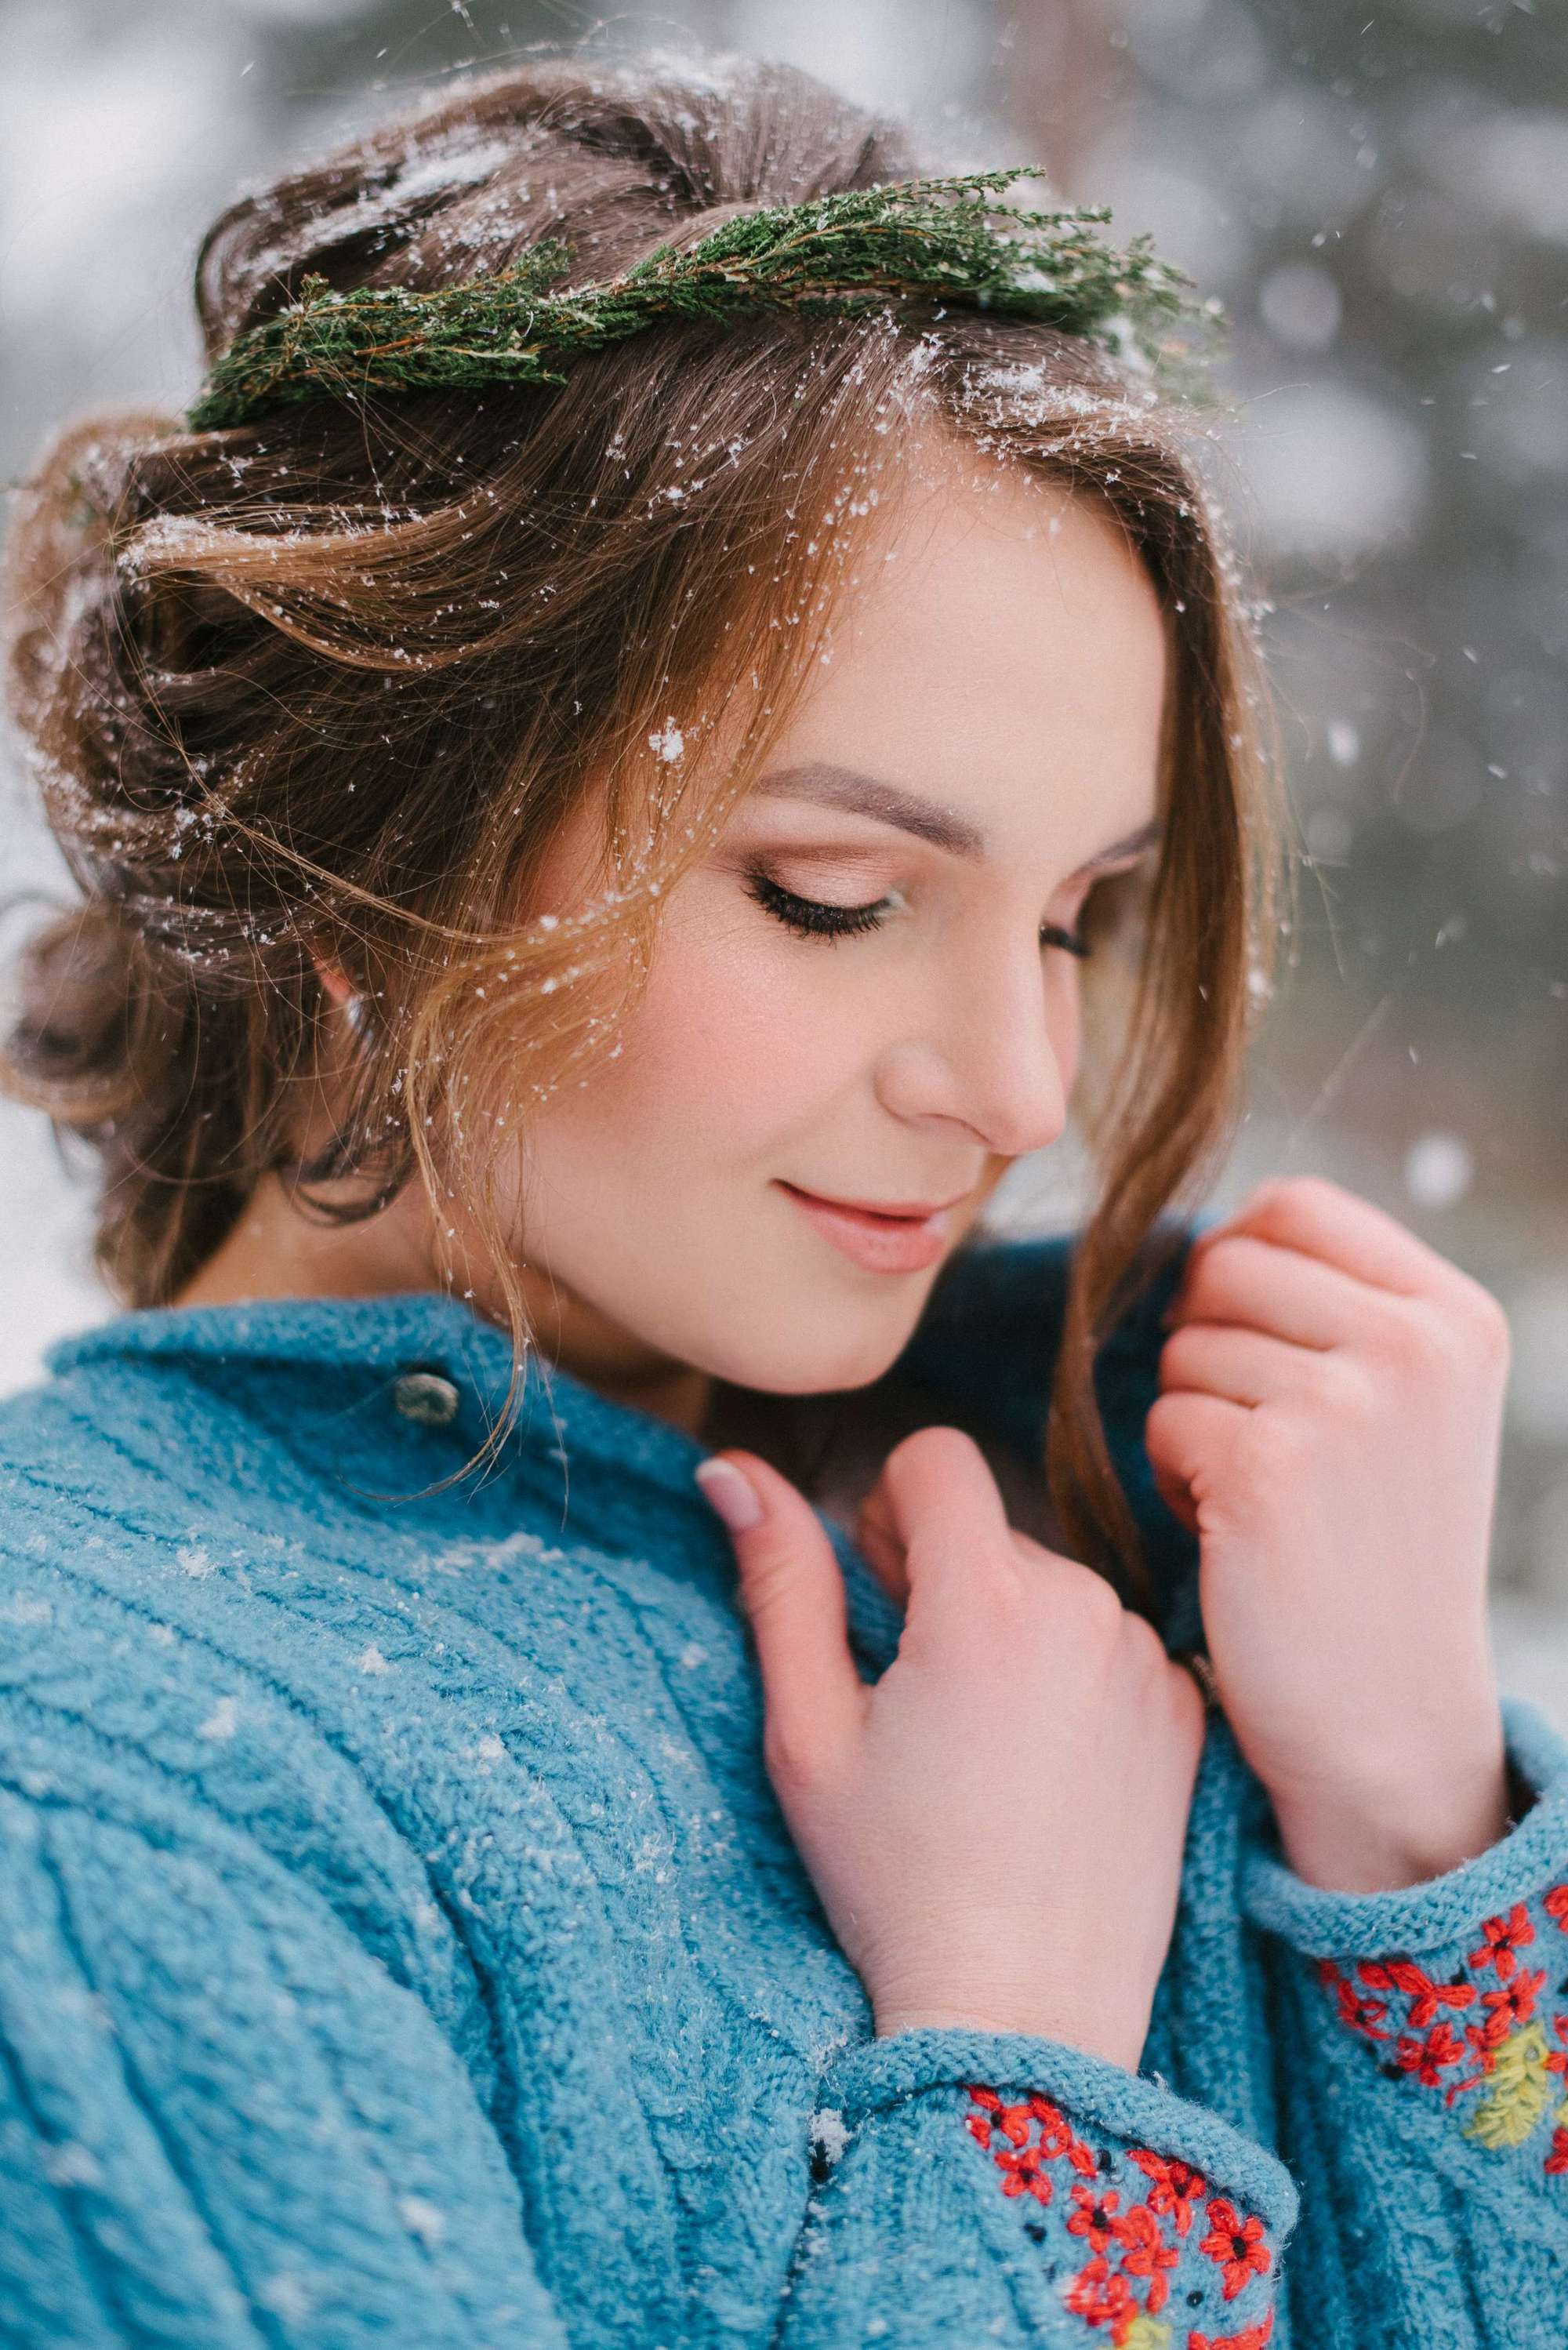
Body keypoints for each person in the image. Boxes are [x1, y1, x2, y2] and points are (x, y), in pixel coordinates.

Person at [0, 48, 1562, 2350]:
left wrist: (1418, 1843)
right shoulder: (102, 1786)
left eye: (1078, 916)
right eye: (837, 893)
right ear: (363, 840)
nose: (1022, 1087)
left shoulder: (1165, 1542)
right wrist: (1024, 2084)